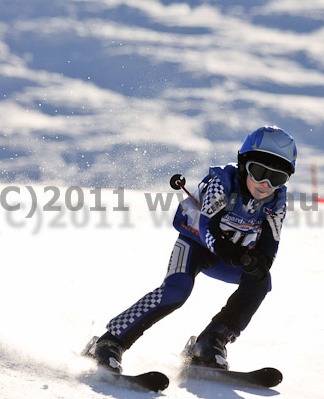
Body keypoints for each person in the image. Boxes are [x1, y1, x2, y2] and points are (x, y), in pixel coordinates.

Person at [86, 126, 297, 372]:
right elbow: (208, 223)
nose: (265, 184)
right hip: (195, 245)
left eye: (278, 178)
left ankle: (210, 343)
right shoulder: (222, 182)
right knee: (177, 291)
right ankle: (110, 341)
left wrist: (259, 262)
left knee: (261, 279)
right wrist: (223, 247)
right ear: (243, 164)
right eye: (259, 172)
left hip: (228, 256)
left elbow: (271, 243)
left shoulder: (277, 200)